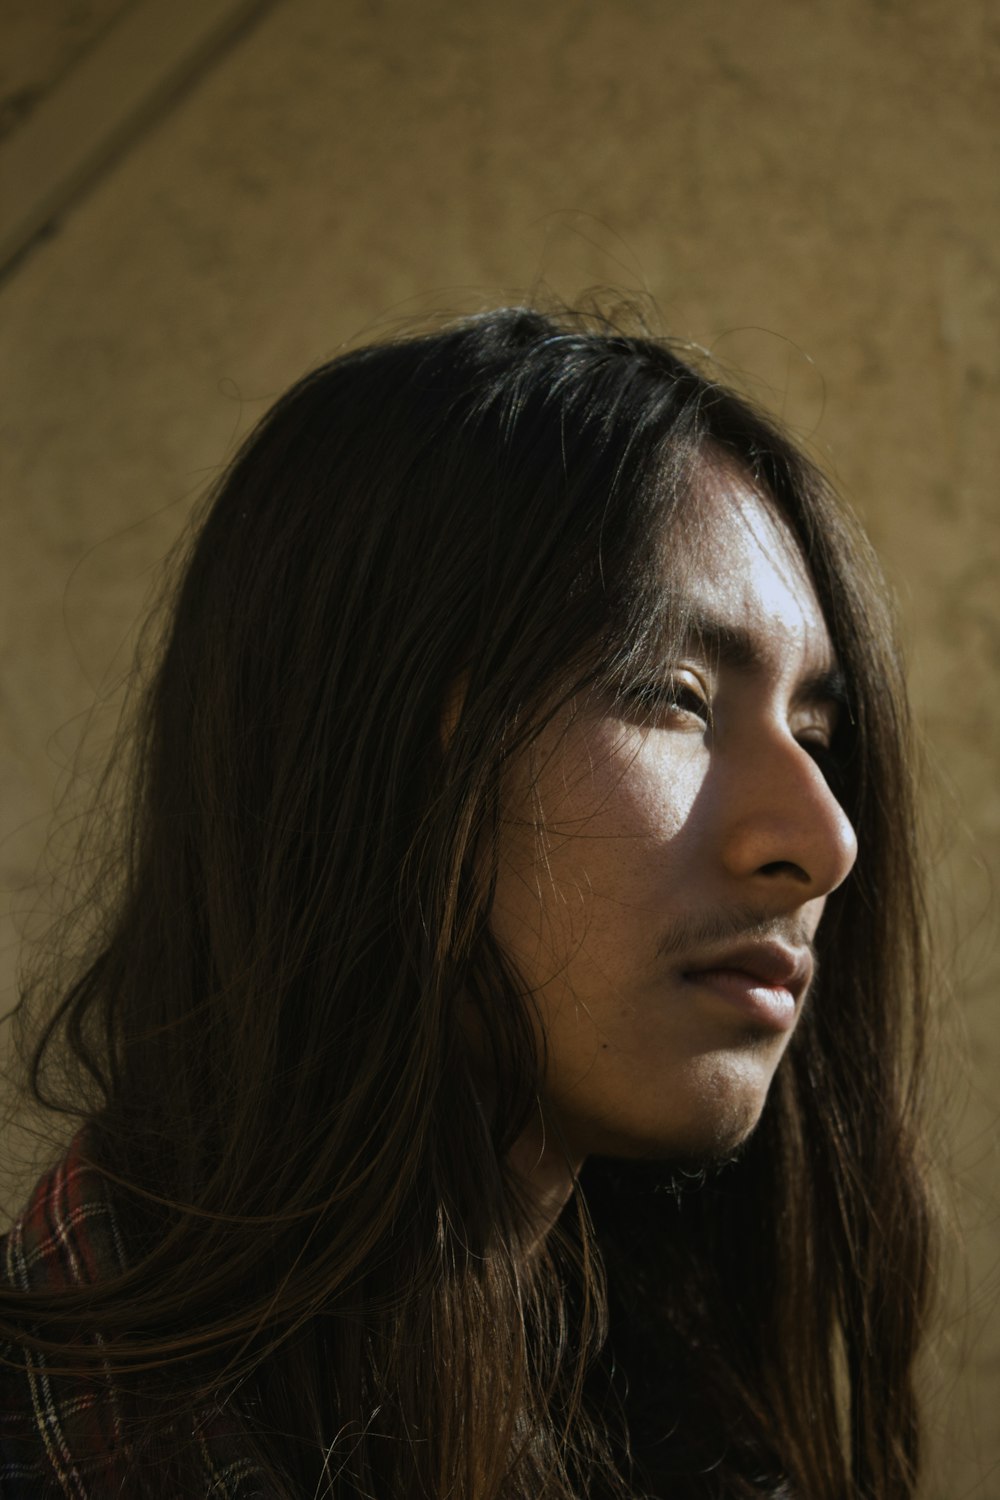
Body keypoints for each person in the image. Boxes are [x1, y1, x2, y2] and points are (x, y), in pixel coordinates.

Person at [0, 307, 936, 1498]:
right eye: (675, 696)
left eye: (815, 733)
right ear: (362, 750)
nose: (825, 839)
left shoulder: (686, 1449)